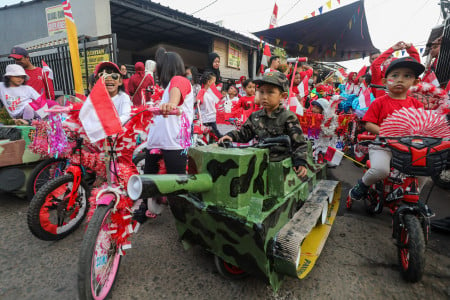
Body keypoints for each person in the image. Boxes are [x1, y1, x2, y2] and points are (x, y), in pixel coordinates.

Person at [349, 57, 425, 201]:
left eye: (407, 75)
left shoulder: (417, 104)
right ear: (385, 81)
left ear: (415, 82)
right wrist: (388, 133)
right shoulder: (379, 102)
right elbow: (369, 124)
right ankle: (363, 184)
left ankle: (414, 195)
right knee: (380, 170)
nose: (400, 80)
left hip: (408, 147)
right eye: (395, 75)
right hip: (382, 145)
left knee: (423, 171)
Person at [218, 72, 308, 178]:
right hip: (259, 163)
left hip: (280, 167)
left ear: (282, 96)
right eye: (261, 92)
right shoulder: (255, 116)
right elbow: (244, 133)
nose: (264, 97)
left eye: (270, 92)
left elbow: (299, 143)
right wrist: (231, 136)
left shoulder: (288, 117)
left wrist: (300, 162)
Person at [145, 48, 194, 176]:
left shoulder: (179, 79)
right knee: (150, 185)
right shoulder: (166, 88)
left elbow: (174, 99)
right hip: (158, 142)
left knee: (175, 188)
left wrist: (171, 104)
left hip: (174, 143)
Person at [197, 71, 222, 138]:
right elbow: (197, 104)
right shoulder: (202, 91)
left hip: (212, 118)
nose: (215, 84)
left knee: (216, 135)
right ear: (208, 82)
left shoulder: (210, 93)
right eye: (214, 82)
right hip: (205, 119)